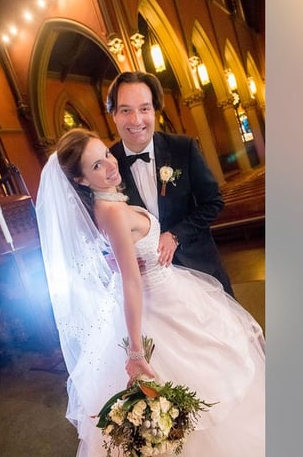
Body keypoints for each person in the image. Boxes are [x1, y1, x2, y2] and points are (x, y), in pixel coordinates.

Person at [36, 128, 265, 456]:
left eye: (106, 155)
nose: (110, 165)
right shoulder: (112, 211)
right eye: (97, 166)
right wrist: (136, 351)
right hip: (157, 306)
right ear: (82, 181)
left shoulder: (109, 200)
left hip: (172, 292)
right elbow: (131, 281)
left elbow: (123, 256)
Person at [106, 71, 235, 297]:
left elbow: (213, 202)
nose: (136, 120)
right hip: (150, 286)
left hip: (199, 268)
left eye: (144, 109)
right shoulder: (107, 164)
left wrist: (175, 235)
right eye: (126, 110)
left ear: (154, 111)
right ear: (113, 114)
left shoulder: (183, 148)